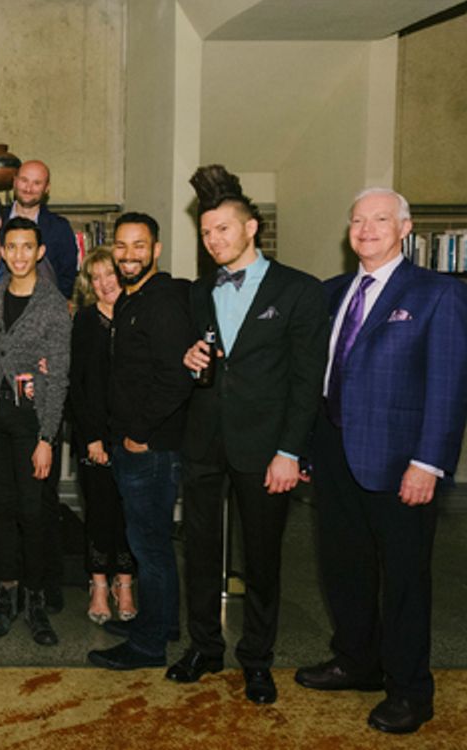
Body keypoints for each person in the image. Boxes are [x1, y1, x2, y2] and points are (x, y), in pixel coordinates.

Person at [296, 188, 467, 735]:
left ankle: (411, 691)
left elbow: (448, 384)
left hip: (400, 465)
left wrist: (429, 463)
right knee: (342, 568)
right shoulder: (332, 293)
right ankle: (357, 661)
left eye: (379, 219)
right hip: (334, 455)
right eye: (357, 220)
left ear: (405, 227)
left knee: (405, 581)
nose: (366, 229)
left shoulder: (437, 293)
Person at [166, 166, 329, 704]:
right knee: (200, 551)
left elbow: (308, 382)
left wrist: (290, 451)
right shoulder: (199, 292)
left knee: (262, 560)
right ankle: (205, 648)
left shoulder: (300, 291)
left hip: (266, 450)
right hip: (205, 442)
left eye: (223, 230)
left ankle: (256, 659)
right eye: (207, 233)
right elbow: (203, 360)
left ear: (251, 227)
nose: (213, 241)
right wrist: (190, 361)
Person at [87, 212, 193, 672]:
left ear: (157, 249)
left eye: (139, 245)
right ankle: (161, 623)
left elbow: (175, 378)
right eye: (122, 246)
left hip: (149, 449)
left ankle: (149, 646)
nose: (129, 255)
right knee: (148, 543)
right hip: (134, 445)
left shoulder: (164, 301)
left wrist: (137, 436)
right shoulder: (134, 299)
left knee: (149, 548)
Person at [0, 217, 71, 646]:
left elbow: (60, 376)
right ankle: (6, 594)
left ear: (39, 252)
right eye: (10, 247)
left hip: (32, 422)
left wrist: (47, 439)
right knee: (3, 509)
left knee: (33, 514)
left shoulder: (52, 305)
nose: (17, 255)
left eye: (25, 247)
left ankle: (35, 601)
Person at [69, 247, 137, 626]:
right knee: (99, 511)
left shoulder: (136, 315)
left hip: (135, 437)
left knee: (130, 513)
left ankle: (124, 583)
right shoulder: (83, 321)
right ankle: (98, 584)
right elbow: (77, 386)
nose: (103, 283)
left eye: (108, 274)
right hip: (93, 436)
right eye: (94, 278)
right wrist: (92, 437)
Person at [5, 161, 80, 298]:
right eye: (24, 180)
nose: (29, 188)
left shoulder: (60, 228)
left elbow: (67, 276)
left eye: (37, 183)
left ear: (47, 188)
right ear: (15, 181)